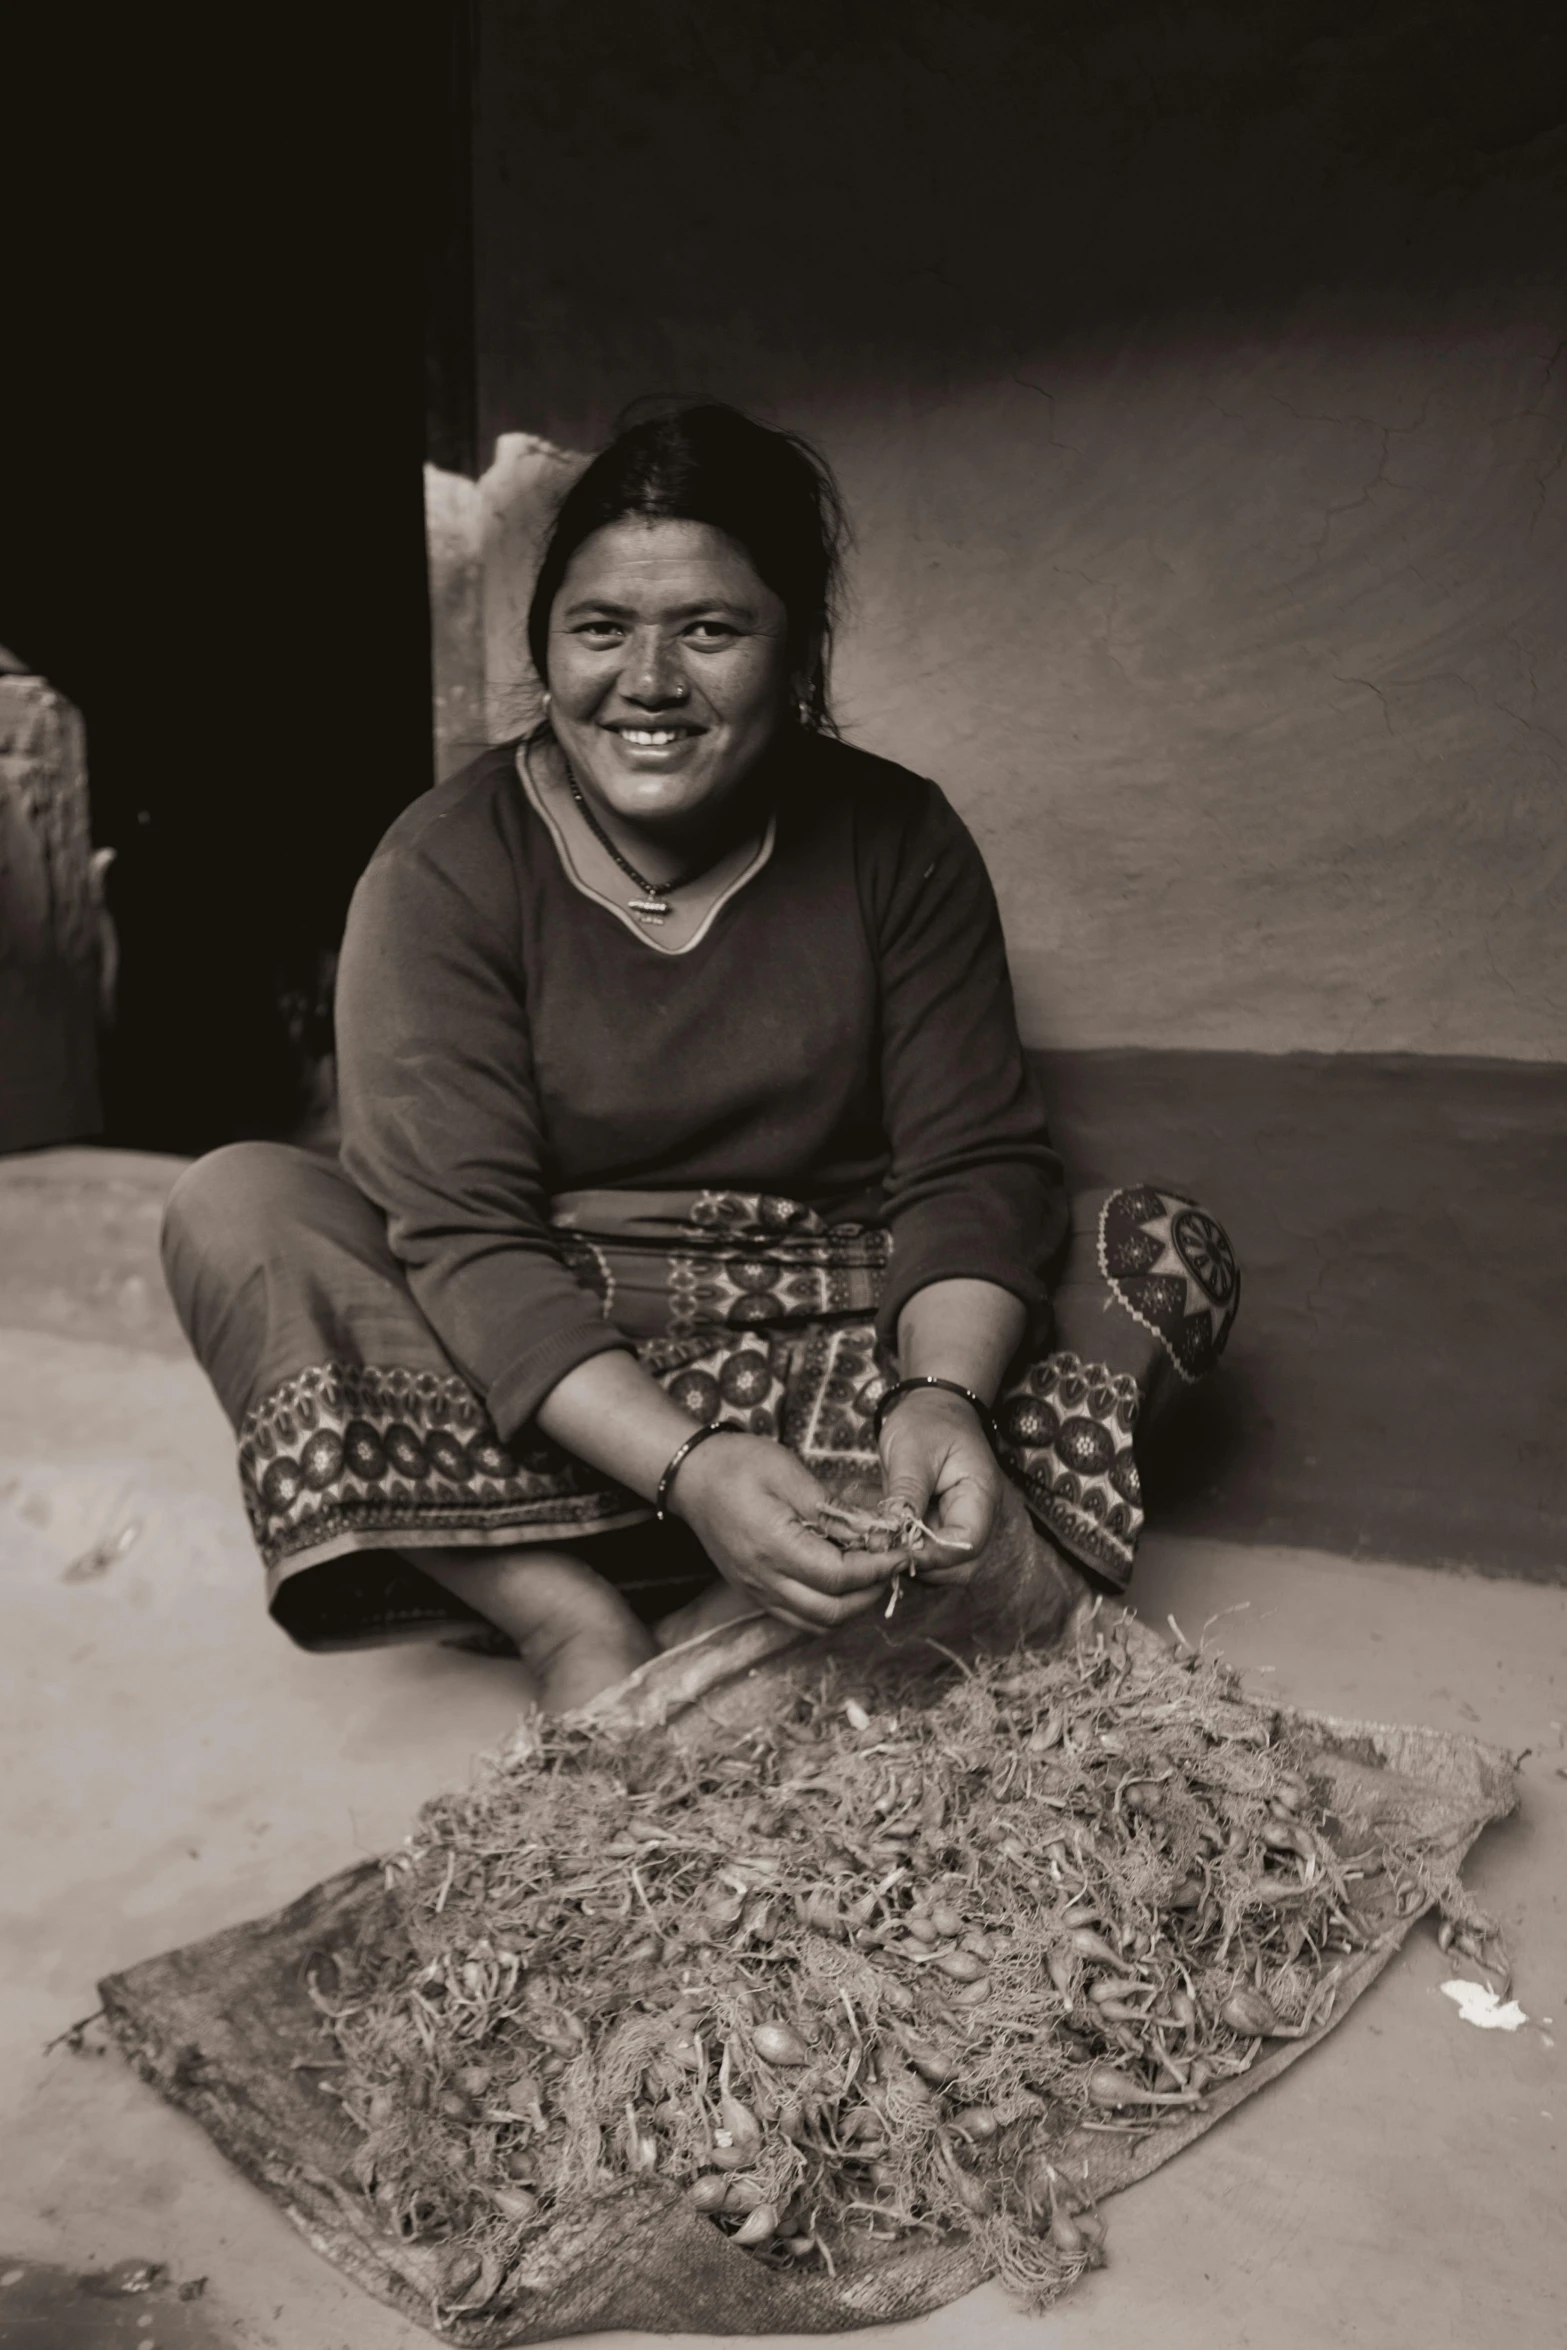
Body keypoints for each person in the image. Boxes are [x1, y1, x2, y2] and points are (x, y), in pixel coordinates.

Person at [162, 404, 1238, 1713]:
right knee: (236, 1204)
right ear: (543, 643)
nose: (650, 683)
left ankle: (779, 1585)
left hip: (836, 1348)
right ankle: (567, 1613)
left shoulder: (894, 837)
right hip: (570, 1374)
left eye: (711, 630)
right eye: (600, 627)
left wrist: (942, 1395)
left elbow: (975, 1161)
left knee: (1159, 1248)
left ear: (794, 648)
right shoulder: (444, 864)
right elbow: (467, 1237)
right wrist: (692, 1465)